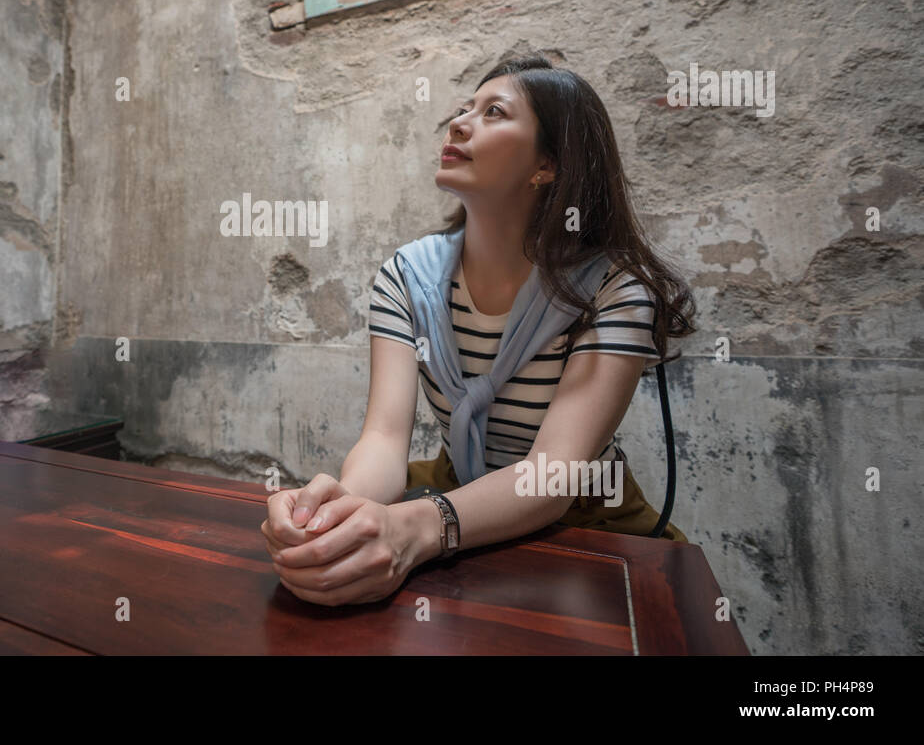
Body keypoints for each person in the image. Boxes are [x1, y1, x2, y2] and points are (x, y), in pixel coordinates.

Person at [261, 54, 697, 607]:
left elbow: (552, 476)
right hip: (455, 499)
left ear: (548, 165)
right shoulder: (408, 275)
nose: (460, 122)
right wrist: (340, 516)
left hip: (582, 521)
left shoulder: (612, 289)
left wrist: (416, 530)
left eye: (494, 112)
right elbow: (383, 440)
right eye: (464, 108)